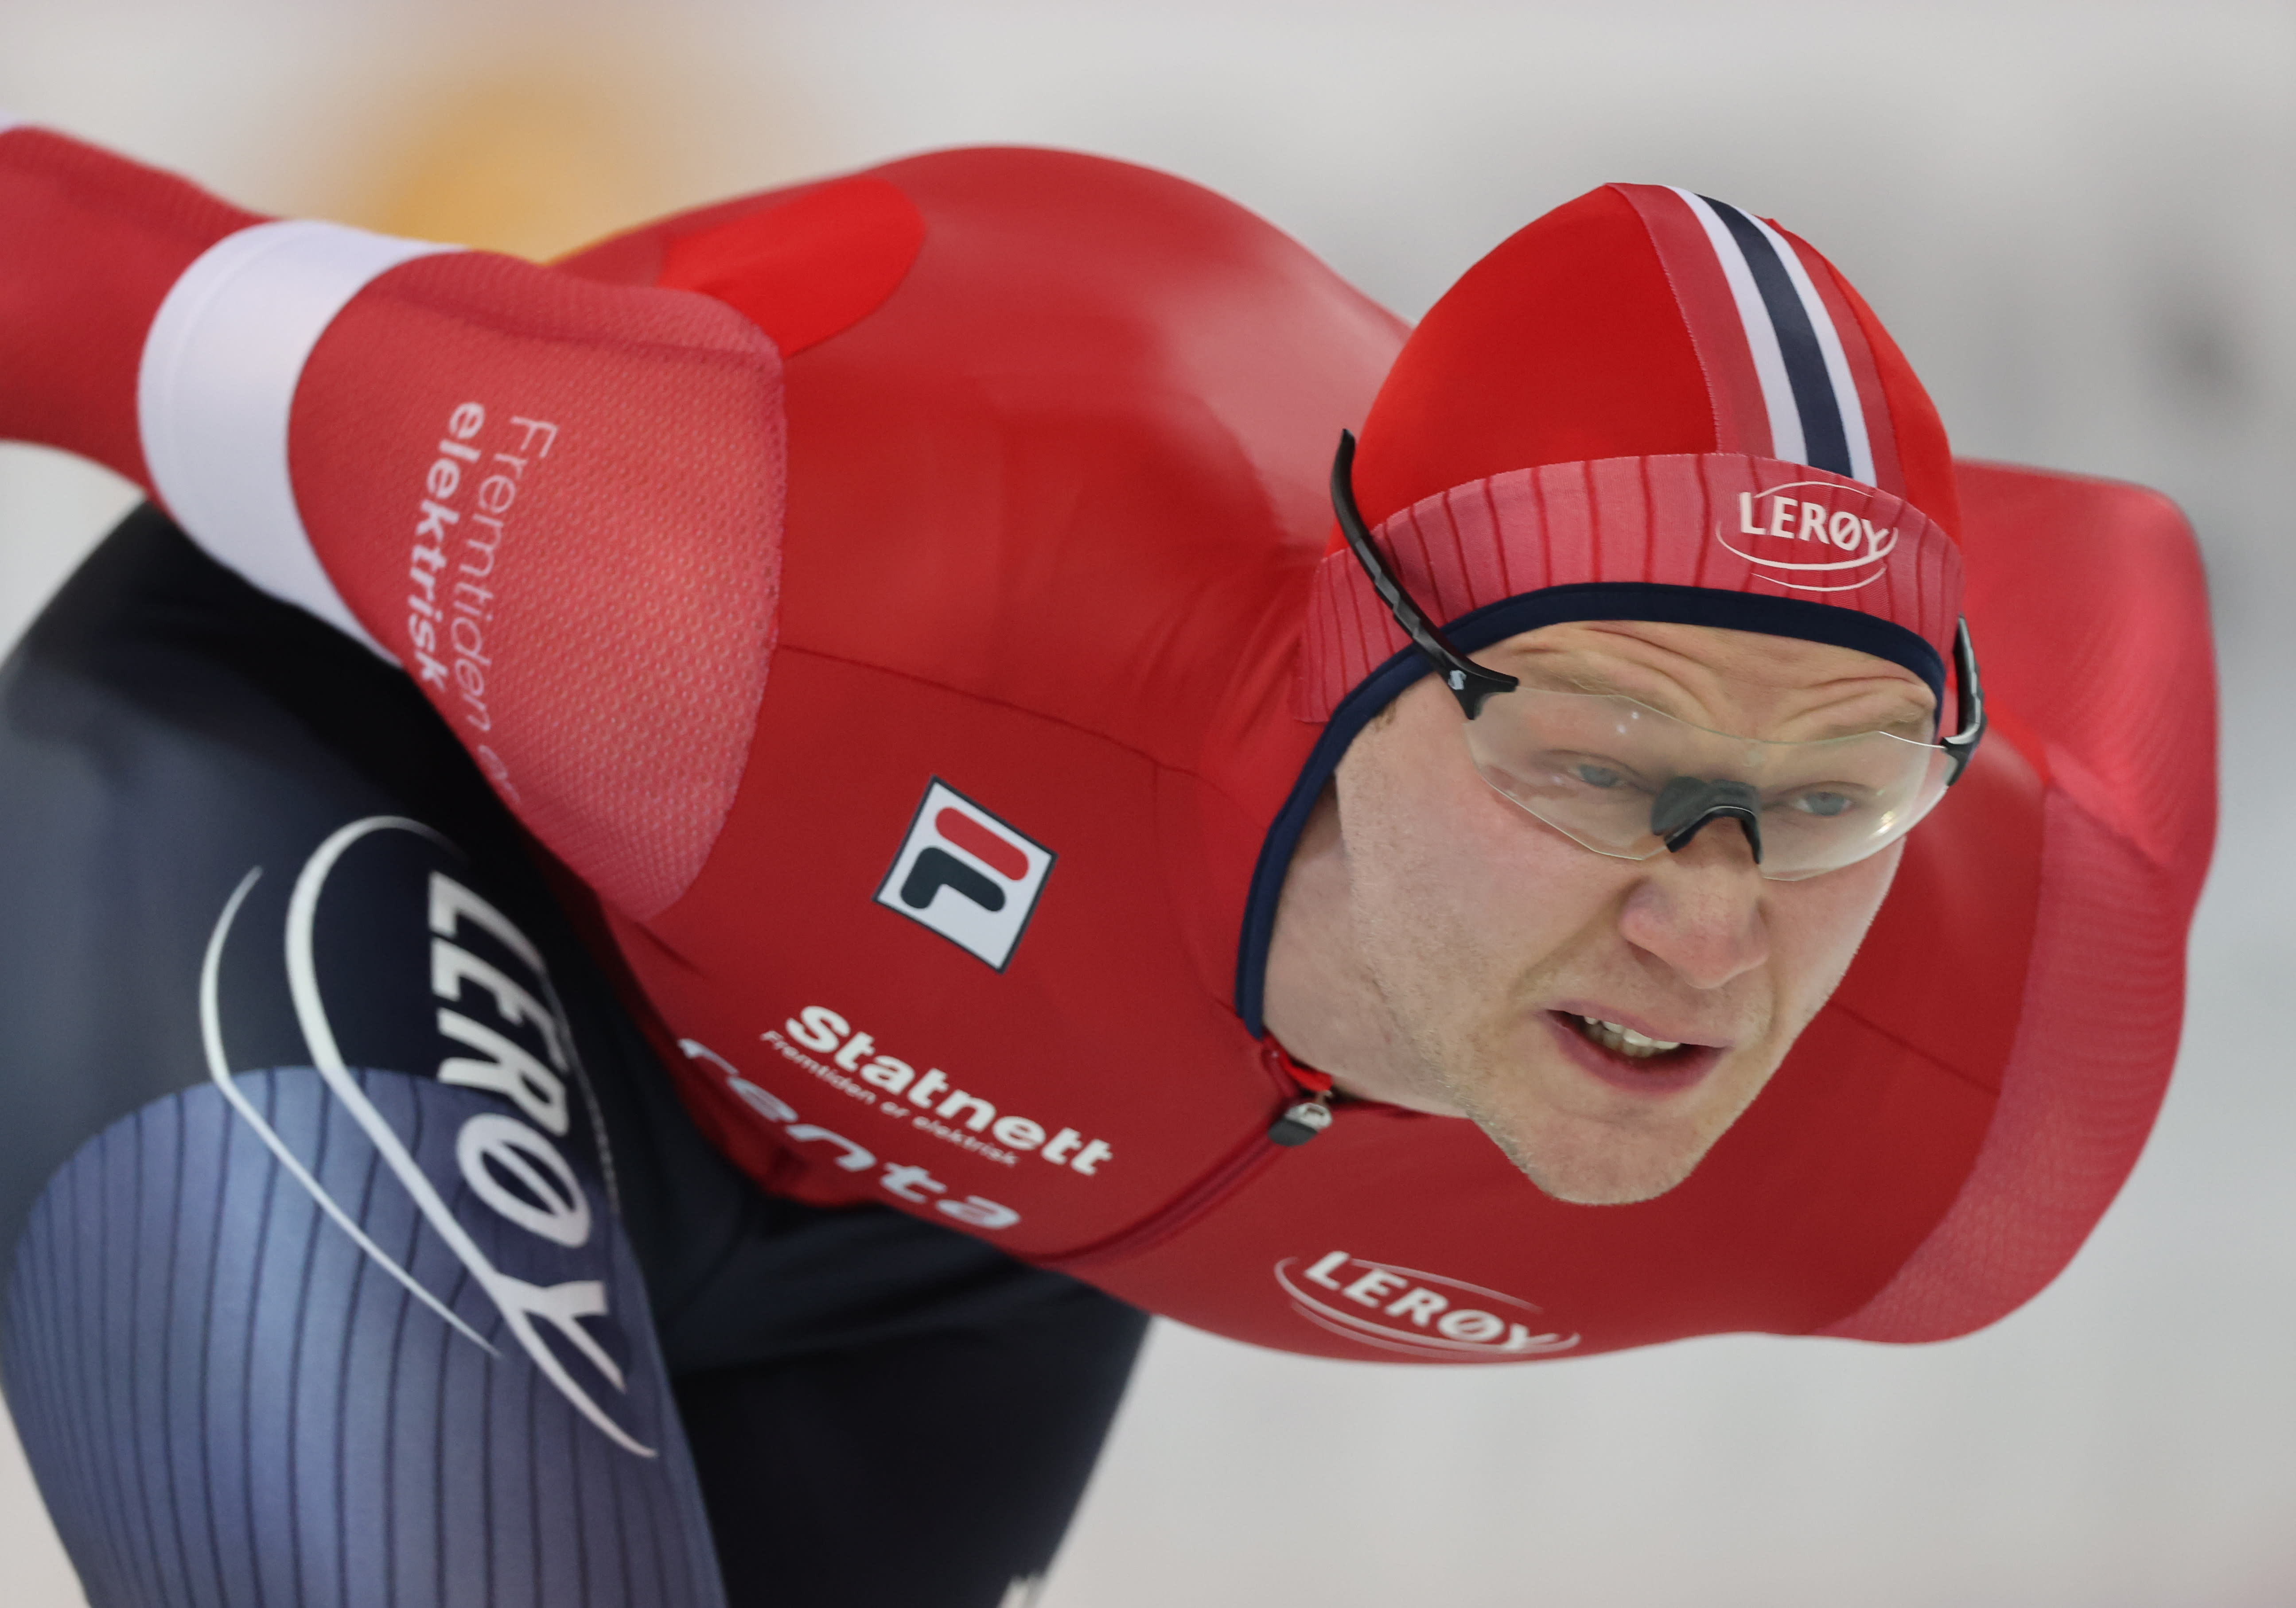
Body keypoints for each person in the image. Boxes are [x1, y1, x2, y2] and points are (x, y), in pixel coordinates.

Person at [0, 119, 2215, 1608]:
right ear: (1363, 661)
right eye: (1598, 765)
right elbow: (80, 272)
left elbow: (2118, 568)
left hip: (945, 1232)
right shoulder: (723, 571)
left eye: (1829, 797)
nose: (1709, 922)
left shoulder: (1976, 1091)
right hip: (361, 809)